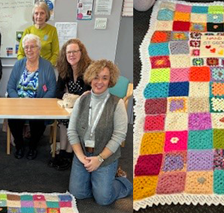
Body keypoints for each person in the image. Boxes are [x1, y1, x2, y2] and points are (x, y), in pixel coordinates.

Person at [67, 59, 132, 205]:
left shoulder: (117, 103)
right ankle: (97, 181)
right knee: (77, 193)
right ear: (90, 79)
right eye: (96, 77)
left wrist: (100, 159)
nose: (99, 82)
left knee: (103, 199)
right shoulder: (81, 100)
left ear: (110, 81)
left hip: (105, 156)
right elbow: (71, 131)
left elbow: (119, 136)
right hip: (83, 153)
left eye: (104, 78)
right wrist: (80, 156)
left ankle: (121, 180)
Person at [7, 34, 56, 160]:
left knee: (38, 121)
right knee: (13, 120)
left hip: (38, 104)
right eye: (27, 47)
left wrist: (38, 104)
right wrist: (17, 101)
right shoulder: (19, 64)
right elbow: (10, 87)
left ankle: (33, 146)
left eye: (33, 47)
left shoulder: (47, 66)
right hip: (19, 103)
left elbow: (51, 89)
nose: (29, 50)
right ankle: (19, 146)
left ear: (39, 49)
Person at [49, 39, 92, 171]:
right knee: (62, 120)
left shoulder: (88, 69)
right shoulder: (65, 69)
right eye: (69, 52)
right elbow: (57, 92)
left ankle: (69, 154)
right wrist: (70, 97)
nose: (71, 55)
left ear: (81, 52)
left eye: (74, 51)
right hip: (70, 106)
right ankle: (62, 150)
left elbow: (86, 94)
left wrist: (69, 96)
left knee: (71, 121)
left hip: (87, 107)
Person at [17, 1, 59, 66]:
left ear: (46, 15)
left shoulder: (52, 30)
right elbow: (20, 53)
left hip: (46, 69)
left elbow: (56, 53)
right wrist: (27, 65)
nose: (39, 16)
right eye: (36, 13)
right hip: (29, 68)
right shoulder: (28, 30)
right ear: (33, 16)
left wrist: (47, 66)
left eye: (42, 13)